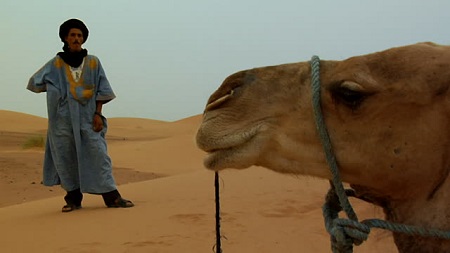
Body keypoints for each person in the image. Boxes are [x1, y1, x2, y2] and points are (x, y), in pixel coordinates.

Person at [27, 18, 134, 212]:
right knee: (66, 158)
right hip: (63, 121)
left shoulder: (93, 62)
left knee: (98, 155)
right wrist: (55, 91)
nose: (76, 39)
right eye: (72, 35)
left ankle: (112, 197)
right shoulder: (56, 64)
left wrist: (97, 114)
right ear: (65, 38)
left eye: (79, 35)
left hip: (88, 118)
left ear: (83, 38)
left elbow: (102, 89)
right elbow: (34, 83)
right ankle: (73, 199)